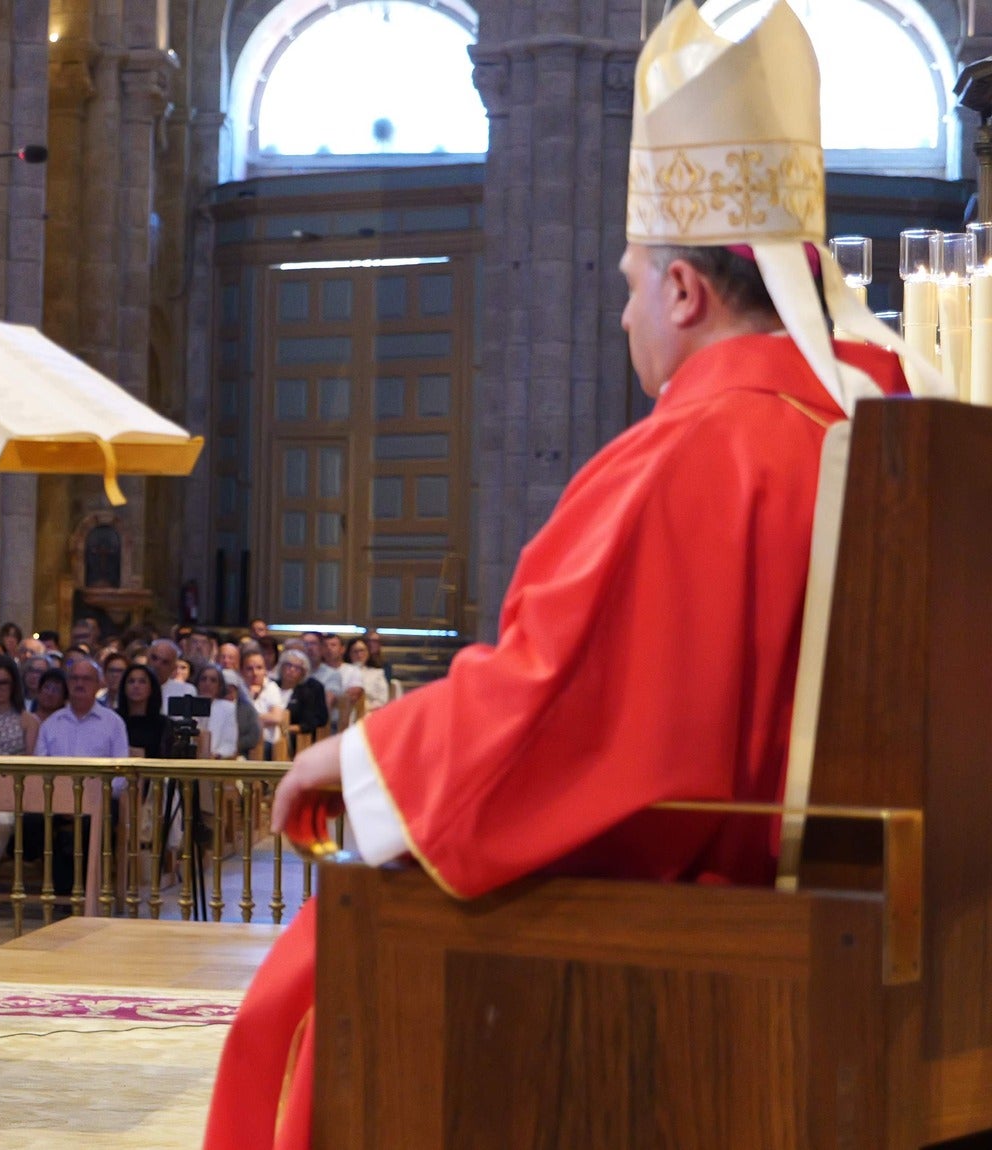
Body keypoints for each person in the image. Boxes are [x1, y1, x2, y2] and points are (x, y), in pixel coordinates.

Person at [203, 6, 930, 1144]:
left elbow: (558, 709)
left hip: (692, 938)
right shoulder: (883, 421)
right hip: (871, 917)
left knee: (305, 988)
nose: (623, 310)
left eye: (630, 283)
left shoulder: (699, 453)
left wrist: (361, 752)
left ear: (685, 293)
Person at [114, 664, 168, 759]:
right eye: (131, 681)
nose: (136, 686)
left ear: (151, 688)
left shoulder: (163, 724)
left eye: (142, 682)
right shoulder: (113, 720)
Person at [338, 635, 391, 721]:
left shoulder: (377, 673)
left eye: (362, 650)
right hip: (345, 714)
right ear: (349, 653)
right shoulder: (341, 672)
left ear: (368, 652)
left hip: (370, 715)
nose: (359, 654)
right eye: (355, 651)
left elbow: (382, 700)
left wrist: (364, 709)